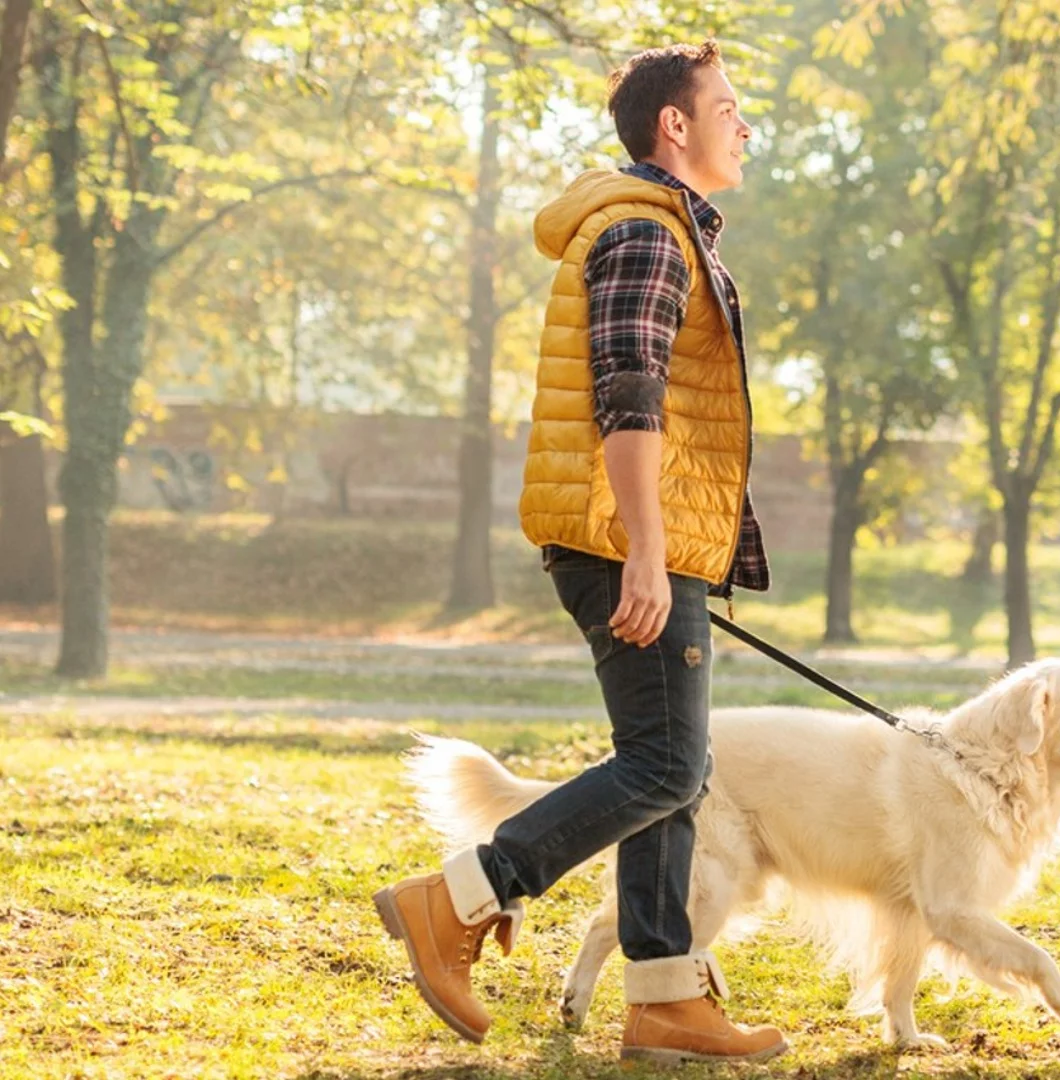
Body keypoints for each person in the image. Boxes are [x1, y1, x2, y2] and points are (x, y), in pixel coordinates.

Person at [372, 40, 785, 1066]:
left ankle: (663, 998)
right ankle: (458, 897)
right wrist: (650, 551)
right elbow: (629, 391)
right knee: (667, 763)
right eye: (727, 107)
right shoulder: (647, 231)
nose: (745, 125)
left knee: (678, 775)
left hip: (646, 542)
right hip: (621, 542)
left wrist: (684, 550)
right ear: (673, 125)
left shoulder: (665, 227)